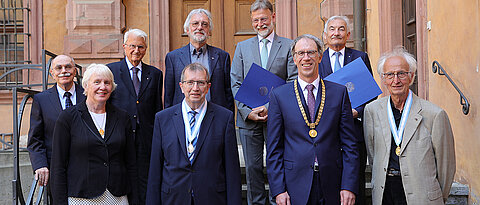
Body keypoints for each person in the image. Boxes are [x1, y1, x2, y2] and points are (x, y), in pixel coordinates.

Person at [266, 34, 359, 205]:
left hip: (333, 182)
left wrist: (349, 186)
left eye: (311, 52)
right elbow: (274, 149)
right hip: (295, 184)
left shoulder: (339, 93)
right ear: (294, 58)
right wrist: (278, 189)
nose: (306, 58)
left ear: (320, 56)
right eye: (301, 53)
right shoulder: (279, 96)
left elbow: (350, 145)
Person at [363, 47, 456, 204]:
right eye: (390, 75)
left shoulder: (435, 114)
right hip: (385, 192)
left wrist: (436, 195)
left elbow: (446, 166)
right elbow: (373, 155)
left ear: (411, 77)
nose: (396, 80)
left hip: (422, 195)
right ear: (383, 79)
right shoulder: (372, 111)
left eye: (401, 74)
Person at [230, 0, 297, 203]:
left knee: (278, 162)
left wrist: (270, 108)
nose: (260, 24)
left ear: (273, 17)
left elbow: (292, 80)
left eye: (264, 19)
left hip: (278, 117)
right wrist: (246, 111)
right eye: (256, 20)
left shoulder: (288, 46)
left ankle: (279, 200)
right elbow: (235, 82)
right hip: (248, 119)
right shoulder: (242, 47)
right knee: (252, 167)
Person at [147, 63, 241, 205]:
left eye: (201, 83)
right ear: (181, 86)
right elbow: (155, 170)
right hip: (173, 198)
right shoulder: (163, 119)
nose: (195, 88)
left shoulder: (224, 118)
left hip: (212, 198)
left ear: (208, 86)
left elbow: (232, 171)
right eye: (190, 82)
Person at [50, 64, 137, 205]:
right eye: (97, 82)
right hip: (81, 197)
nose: (102, 87)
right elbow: (58, 165)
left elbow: (131, 162)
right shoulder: (68, 118)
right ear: (86, 86)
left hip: (117, 196)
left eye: (107, 83)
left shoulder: (122, 117)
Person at [318, 15, 373, 205]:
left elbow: (370, 92)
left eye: (341, 29)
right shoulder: (317, 60)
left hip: (353, 129)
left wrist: (356, 110)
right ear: (325, 35)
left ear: (348, 34)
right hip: (324, 132)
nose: (336, 33)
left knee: (355, 179)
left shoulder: (360, 57)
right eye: (332, 29)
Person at [107, 28, 163, 205]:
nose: (136, 50)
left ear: (146, 49)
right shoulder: (111, 70)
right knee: (122, 176)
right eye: (132, 46)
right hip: (120, 135)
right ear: (124, 47)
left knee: (144, 179)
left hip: (146, 136)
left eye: (141, 47)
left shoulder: (155, 74)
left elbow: (157, 107)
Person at [27, 55, 85, 203]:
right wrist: (40, 165)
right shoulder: (41, 99)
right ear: (52, 73)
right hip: (55, 168)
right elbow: (35, 139)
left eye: (68, 67)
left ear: (75, 71)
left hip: (86, 165)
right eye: (59, 68)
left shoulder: (87, 95)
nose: (64, 71)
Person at [164, 9, 233, 111]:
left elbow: (228, 94)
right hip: (183, 118)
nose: (200, 27)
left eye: (204, 24)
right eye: (195, 23)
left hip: (215, 118)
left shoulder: (222, 57)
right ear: (187, 30)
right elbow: (168, 95)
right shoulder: (173, 57)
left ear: (209, 31)